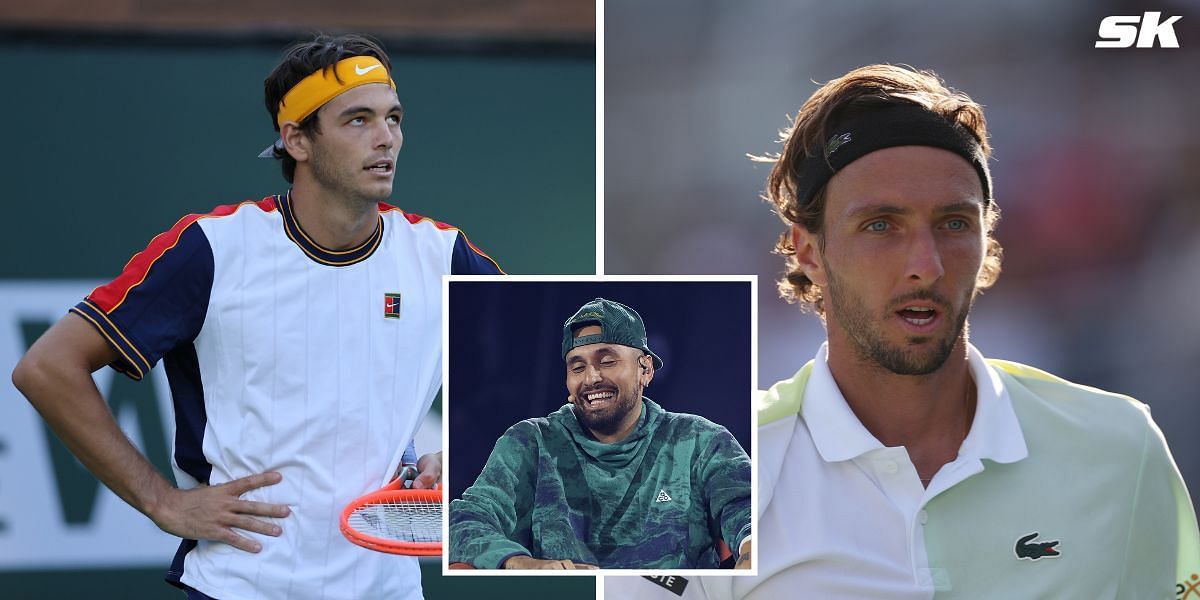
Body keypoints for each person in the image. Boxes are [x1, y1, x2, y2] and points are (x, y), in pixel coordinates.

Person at [607, 65, 1200, 598]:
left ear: (986, 242)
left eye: (953, 223)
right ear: (806, 251)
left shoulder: (1122, 446)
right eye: (881, 225)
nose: (926, 262)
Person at [11, 33, 501, 599]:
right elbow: (47, 368)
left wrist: (462, 448)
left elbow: (546, 358)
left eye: (394, 118)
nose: (386, 138)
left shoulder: (443, 253)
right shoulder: (212, 247)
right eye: (358, 120)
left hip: (387, 589)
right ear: (296, 139)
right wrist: (160, 501)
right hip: (239, 586)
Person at [448, 297, 751, 570]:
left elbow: (750, 513)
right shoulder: (530, 443)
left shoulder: (701, 440)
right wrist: (519, 563)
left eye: (607, 361)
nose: (592, 378)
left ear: (645, 369)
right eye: (577, 367)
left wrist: (751, 549)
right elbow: (466, 519)